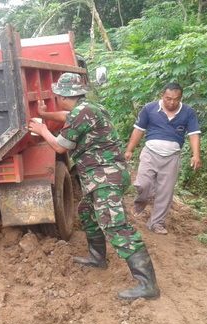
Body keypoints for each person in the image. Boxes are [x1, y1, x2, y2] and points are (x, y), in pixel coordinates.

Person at [28, 73, 160, 300]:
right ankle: (97, 258)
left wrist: (42, 130)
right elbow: (66, 115)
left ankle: (148, 285)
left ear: (62, 96)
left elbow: (60, 147)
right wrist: (45, 114)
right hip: (100, 175)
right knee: (87, 213)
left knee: (115, 226)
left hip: (104, 176)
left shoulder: (82, 112)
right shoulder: (87, 108)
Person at [124, 83, 201, 235]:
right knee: (143, 184)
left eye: (176, 99)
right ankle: (140, 204)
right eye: (168, 99)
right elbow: (138, 130)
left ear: (181, 98)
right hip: (150, 153)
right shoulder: (149, 109)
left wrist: (196, 155)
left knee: (165, 192)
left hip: (172, 157)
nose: (172, 102)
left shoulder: (188, 112)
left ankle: (156, 223)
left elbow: (194, 134)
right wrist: (129, 150)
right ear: (162, 95)